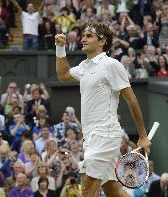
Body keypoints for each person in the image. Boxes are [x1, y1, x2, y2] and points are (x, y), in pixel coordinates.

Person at [55, 20, 151, 197]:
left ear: (102, 41)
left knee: (88, 185)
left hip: (105, 134)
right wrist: (60, 48)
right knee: (112, 190)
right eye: (83, 35)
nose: (83, 39)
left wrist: (142, 136)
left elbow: (132, 100)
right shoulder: (84, 67)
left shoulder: (111, 65)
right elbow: (63, 75)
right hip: (91, 137)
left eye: (89, 36)